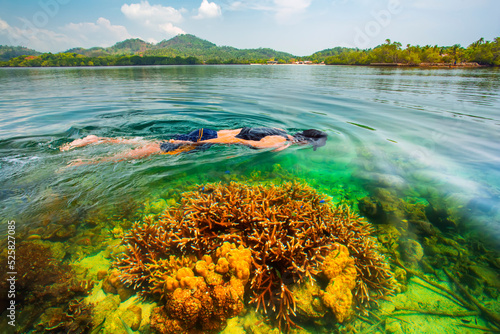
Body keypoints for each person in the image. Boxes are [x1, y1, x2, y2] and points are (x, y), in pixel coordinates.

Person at [60, 127, 327, 165]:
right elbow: (242, 142)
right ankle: (90, 162)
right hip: (206, 139)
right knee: (149, 152)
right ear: (305, 141)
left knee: (153, 144)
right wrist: (274, 149)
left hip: (205, 131)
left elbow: (240, 132)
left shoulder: (279, 129)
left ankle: (97, 141)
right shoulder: (280, 140)